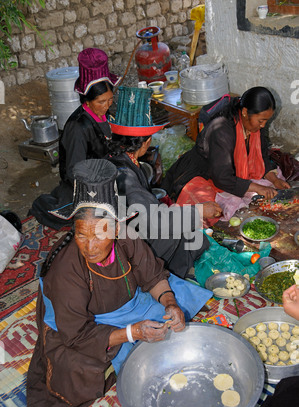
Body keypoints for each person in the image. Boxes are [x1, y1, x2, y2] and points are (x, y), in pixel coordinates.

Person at [26, 159, 213, 407]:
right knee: (76, 371)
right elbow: (77, 334)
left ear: (115, 229)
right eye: (82, 234)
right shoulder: (66, 271)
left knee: (179, 302)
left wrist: (170, 304)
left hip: (129, 305)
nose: (89, 246)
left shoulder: (127, 236)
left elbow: (153, 277)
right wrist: (132, 333)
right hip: (83, 325)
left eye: (99, 235)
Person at [105, 86, 222, 278]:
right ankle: (160, 276)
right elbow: (157, 222)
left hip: (131, 229)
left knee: (195, 238)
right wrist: (200, 211)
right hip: (129, 245)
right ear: (146, 141)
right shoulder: (125, 175)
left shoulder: (118, 159)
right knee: (189, 238)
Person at [161, 87, 290, 225]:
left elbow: (262, 156)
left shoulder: (254, 125)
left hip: (229, 173)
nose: (263, 125)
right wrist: (258, 188)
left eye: (266, 121)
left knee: (269, 189)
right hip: (202, 174)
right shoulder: (222, 130)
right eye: (260, 121)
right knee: (212, 212)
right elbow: (222, 177)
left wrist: (274, 179)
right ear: (245, 112)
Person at [29, 48, 121, 230]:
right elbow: (73, 173)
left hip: (105, 174)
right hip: (82, 186)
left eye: (110, 100)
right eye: (101, 102)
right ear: (86, 100)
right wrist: (101, 188)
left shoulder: (104, 114)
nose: (107, 106)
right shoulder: (77, 128)